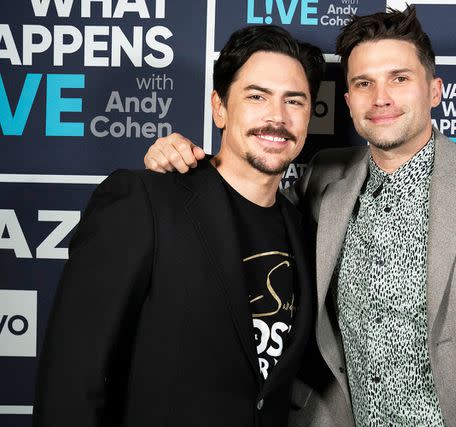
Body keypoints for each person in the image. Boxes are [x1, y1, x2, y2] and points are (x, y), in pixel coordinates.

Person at [143, 7, 456, 427]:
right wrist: (183, 163)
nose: (381, 98)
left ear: (434, 89)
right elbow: (247, 218)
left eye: (399, 78)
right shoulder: (323, 177)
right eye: (363, 83)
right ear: (347, 99)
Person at [33, 25, 324, 427]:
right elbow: (71, 378)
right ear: (219, 107)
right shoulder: (145, 200)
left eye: (295, 101)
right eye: (256, 97)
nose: (277, 117)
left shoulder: (305, 227)